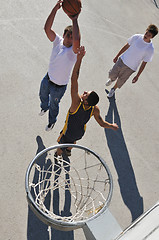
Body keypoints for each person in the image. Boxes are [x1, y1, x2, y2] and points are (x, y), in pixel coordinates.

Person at [56, 46, 119, 157]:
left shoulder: (76, 103)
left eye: (85, 94)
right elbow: (102, 123)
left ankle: (58, 154)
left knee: (61, 145)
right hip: (79, 134)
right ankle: (69, 150)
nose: (84, 92)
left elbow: (74, 79)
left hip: (68, 133)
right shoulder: (94, 109)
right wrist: (112, 126)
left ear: (85, 102)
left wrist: (79, 59)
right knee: (73, 141)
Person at [39, 0, 81, 131]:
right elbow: (47, 29)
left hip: (59, 86)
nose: (69, 38)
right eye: (67, 36)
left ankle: (52, 122)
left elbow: (77, 41)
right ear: (63, 35)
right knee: (42, 95)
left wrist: (74, 20)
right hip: (48, 78)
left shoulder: (73, 52)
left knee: (54, 105)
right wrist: (55, 9)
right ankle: (44, 107)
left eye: (71, 37)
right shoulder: (58, 41)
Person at [106, 24, 158, 98]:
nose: (146, 35)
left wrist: (137, 76)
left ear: (152, 37)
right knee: (112, 74)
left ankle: (113, 89)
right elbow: (126, 46)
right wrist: (117, 56)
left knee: (121, 80)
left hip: (131, 68)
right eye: (146, 33)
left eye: (149, 35)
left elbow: (144, 63)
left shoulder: (150, 49)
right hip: (122, 60)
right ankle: (112, 79)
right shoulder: (136, 37)